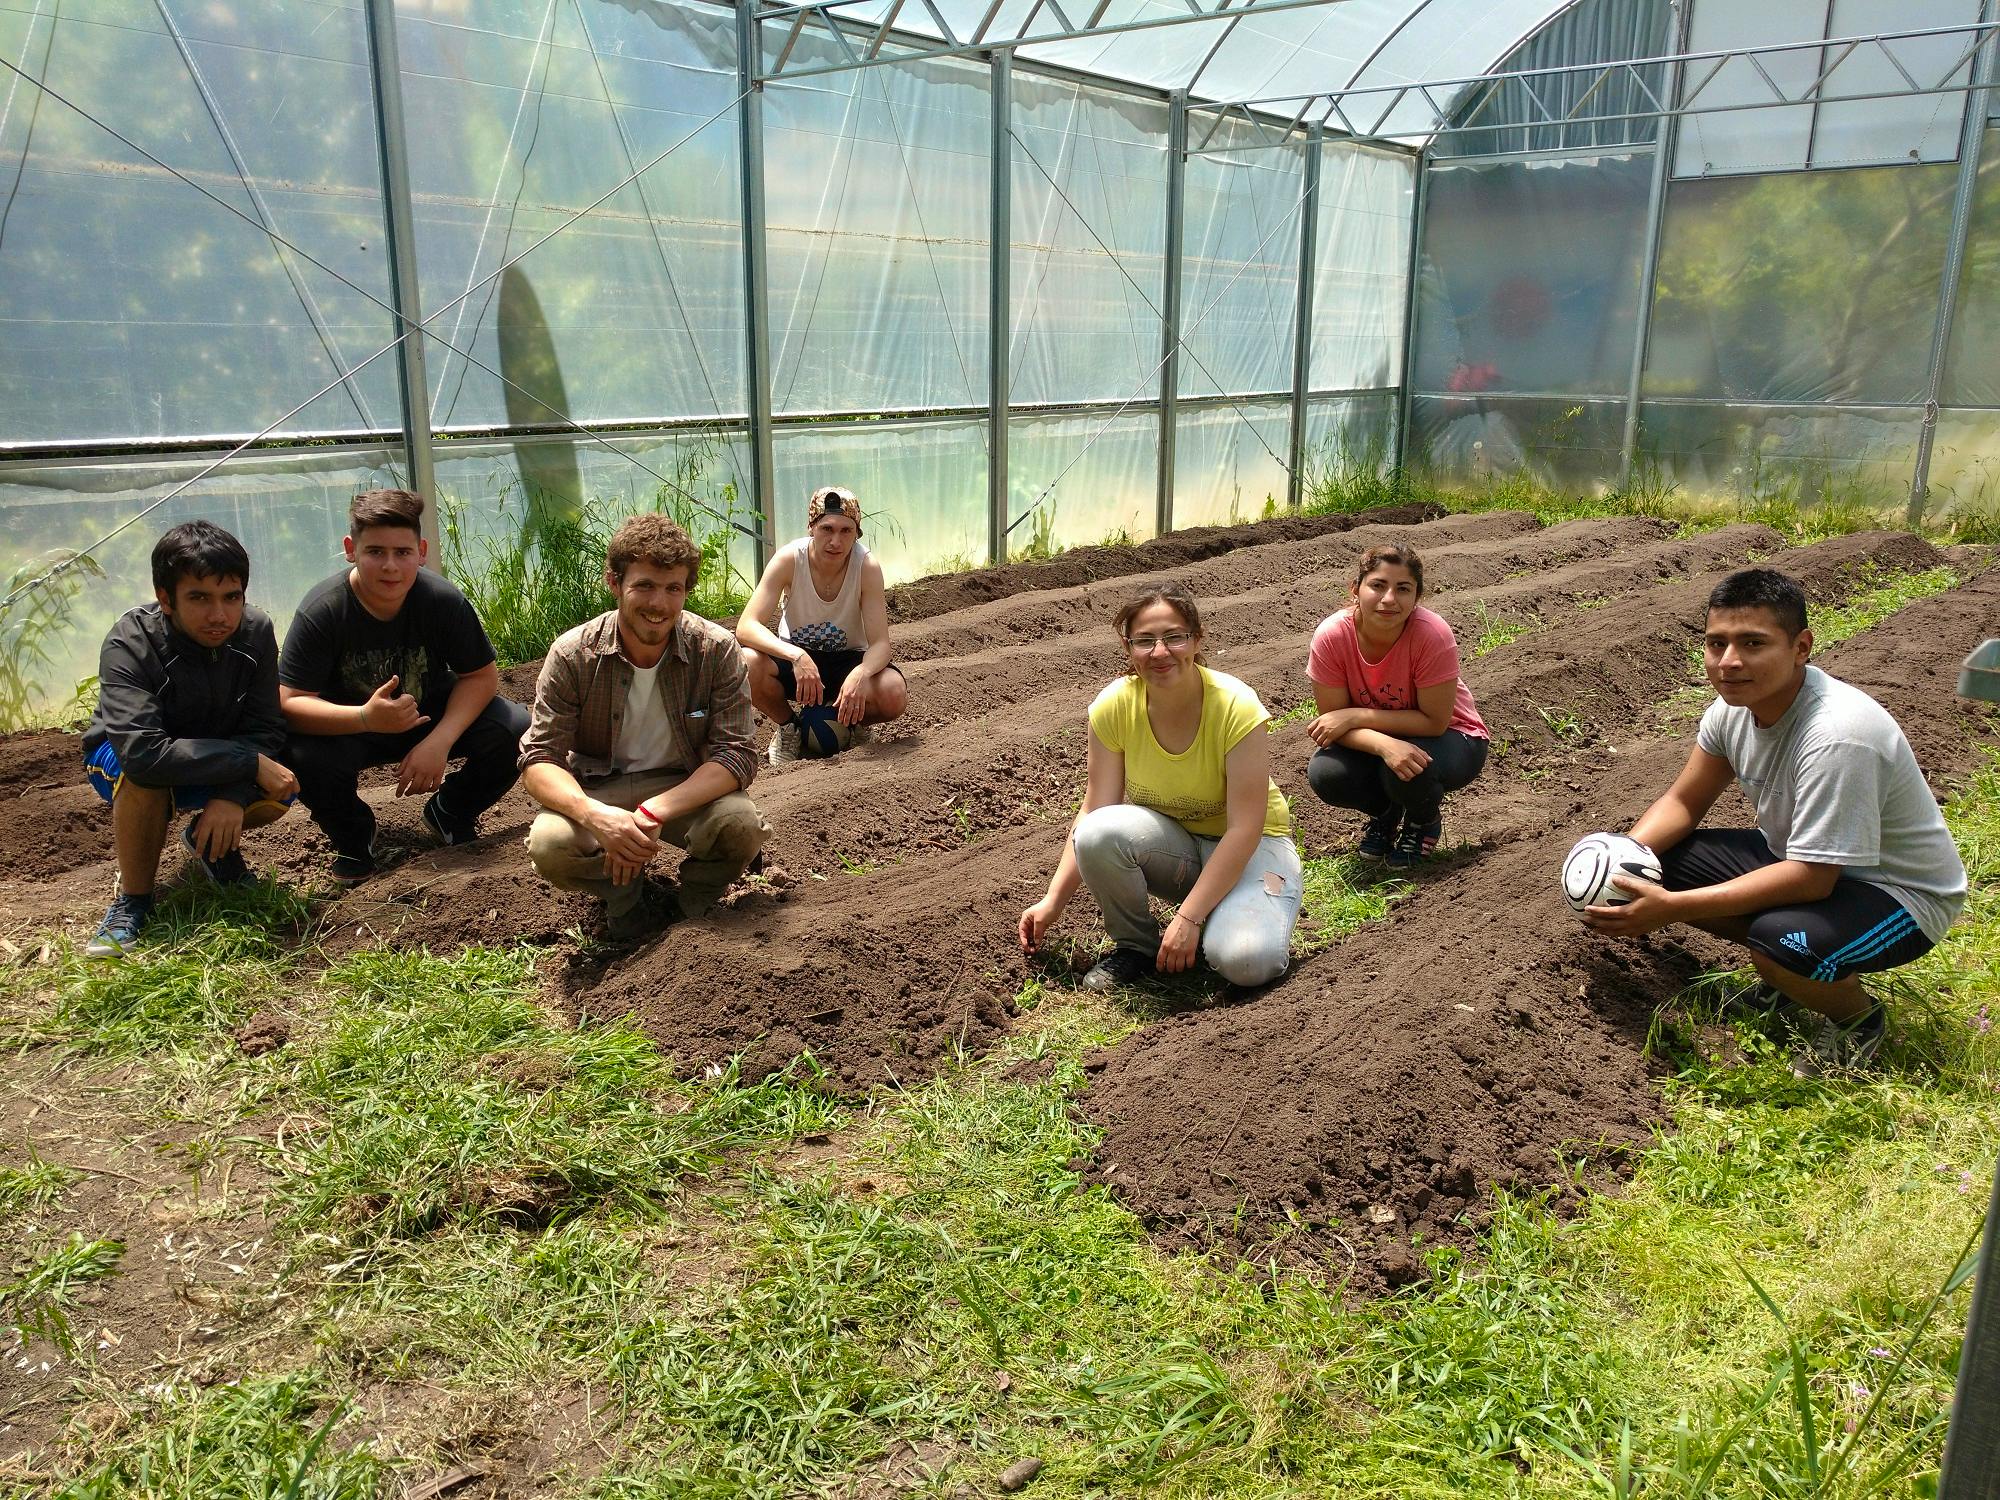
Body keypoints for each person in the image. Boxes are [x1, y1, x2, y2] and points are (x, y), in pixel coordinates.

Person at [1584, 568, 1966, 1073]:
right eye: (1716, 644)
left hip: (1898, 894)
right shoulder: (1732, 711)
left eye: (1752, 643)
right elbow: (1683, 801)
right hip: (1806, 862)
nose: (1729, 662)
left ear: (1801, 647)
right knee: (1663, 862)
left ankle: (1857, 1023)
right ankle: (1793, 979)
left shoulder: (1837, 735)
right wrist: (1624, 860)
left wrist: (1672, 908)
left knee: (1776, 940)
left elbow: (1813, 878)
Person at [1017, 582, 1302, 991]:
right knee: (1100, 830)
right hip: (1181, 849)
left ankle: (1248, 906)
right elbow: (1094, 809)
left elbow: (1245, 828)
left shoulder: (1235, 706)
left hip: (1254, 848)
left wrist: (1187, 918)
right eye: (1145, 641)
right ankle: (1136, 947)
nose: (1160, 652)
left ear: (1197, 639)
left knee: (1246, 963)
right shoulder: (1115, 706)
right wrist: (1052, 901)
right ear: (1128, 647)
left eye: (1174, 637)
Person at [520, 513, 770, 939]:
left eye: (674, 588)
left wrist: (655, 810)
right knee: (549, 845)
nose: (659, 603)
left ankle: (693, 903)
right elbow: (539, 760)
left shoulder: (715, 650)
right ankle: (627, 902)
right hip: (601, 787)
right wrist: (596, 816)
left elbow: (737, 755)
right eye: (645, 586)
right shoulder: (573, 655)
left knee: (740, 826)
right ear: (615, 583)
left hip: (681, 786)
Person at [278, 489, 529, 883]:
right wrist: (364, 717)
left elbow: (481, 675)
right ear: (350, 549)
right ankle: (354, 836)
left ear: (422, 551)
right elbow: (290, 702)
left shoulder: (442, 601)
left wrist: (440, 741)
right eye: (375, 551)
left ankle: (452, 810)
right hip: (350, 728)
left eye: (403, 552)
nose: (390, 566)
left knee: (514, 727)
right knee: (296, 752)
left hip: (424, 714)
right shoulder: (323, 610)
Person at [79, 521, 298, 957]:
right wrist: (246, 763)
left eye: (231, 597)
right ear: (166, 598)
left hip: (212, 755)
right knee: (144, 779)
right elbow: (143, 753)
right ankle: (133, 902)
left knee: (286, 776)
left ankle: (209, 844)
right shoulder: (131, 641)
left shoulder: (255, 632)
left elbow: (265, 728)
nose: (219, 615)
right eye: (199, 598)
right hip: (124, 757)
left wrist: (231, 795)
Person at [1303, 543, 1490, 868]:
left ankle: (1422, 820)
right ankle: (1386, 815)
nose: (1389, 599)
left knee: (1404, 769)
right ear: (1356, 589)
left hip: (1454, 736)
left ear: (1416, 598)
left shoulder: (1431, 635)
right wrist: (1385, 744)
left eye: (1403, 589)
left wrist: (1355, 715)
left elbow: (1434, 722)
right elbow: (1332, 726)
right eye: (1378, 585)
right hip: (1385, 737)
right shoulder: (1332, 637)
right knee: (1327, 772)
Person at [736, 485, 906, 763]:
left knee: (893, 692)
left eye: (845, 531)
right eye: (827, 529)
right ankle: (790, 726)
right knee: (744, 663)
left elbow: (880, 645)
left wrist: (861, 674)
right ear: (811, 528)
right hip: (797, 659)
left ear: (856, 533)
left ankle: (854, 724)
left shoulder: (867, 567)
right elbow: (746, 626)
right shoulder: (790, 559)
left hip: (847, 660)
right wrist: (796, 655)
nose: (835, 541)